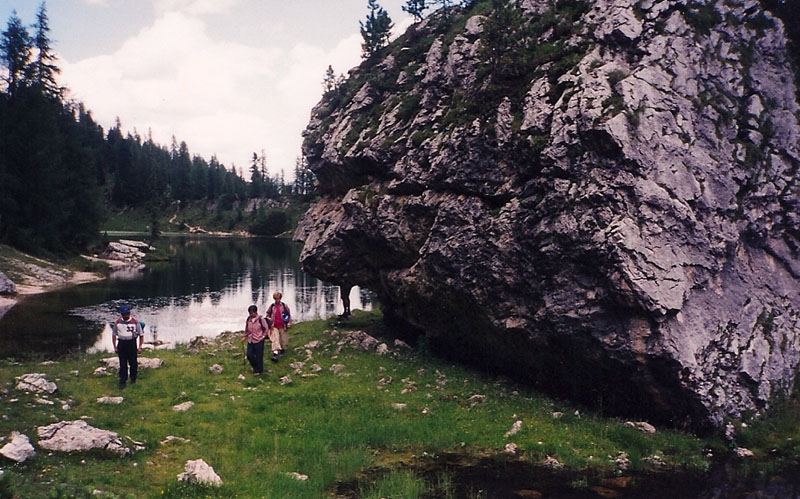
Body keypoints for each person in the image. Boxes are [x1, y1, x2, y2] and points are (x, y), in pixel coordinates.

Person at [112, 305, 144, 389]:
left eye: (126, 314)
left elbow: (141, 335)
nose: (125, 316)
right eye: (123, 314)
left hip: (131, 344)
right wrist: (115, 346)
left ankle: (133, 379)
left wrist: (140, 347)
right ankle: (123, 381)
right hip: (121, 344)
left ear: (129, 313)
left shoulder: (135, 321)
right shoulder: (118, 322)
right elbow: (114, 334)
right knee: (122, 364)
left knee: (133, 363)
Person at [242, 305, 269, 376]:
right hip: (250, 340)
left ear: (255, 312)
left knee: (259, 356)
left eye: (251, 313)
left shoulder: (261, 319)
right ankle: (255, 367)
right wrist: (244, 336)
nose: (250, 314)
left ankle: (259, 370)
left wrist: (263, 336)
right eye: (249, 313)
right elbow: (247, 329)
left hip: (259, 340)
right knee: (249, 355)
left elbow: (266, 329)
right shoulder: (248, 319)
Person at [266, 292, 292, 363]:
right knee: (275, 339)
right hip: (274, 326)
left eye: (278, 298)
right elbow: (268, 314)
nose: (277, 300)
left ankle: (283, 350)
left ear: (280, 298)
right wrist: (269, 320)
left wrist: (289, 322)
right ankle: (275, 353)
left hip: (283, 325)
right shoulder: (272, 306)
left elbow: (288, 315)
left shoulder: (284, 306)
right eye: (275, 299)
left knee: (283, 340)